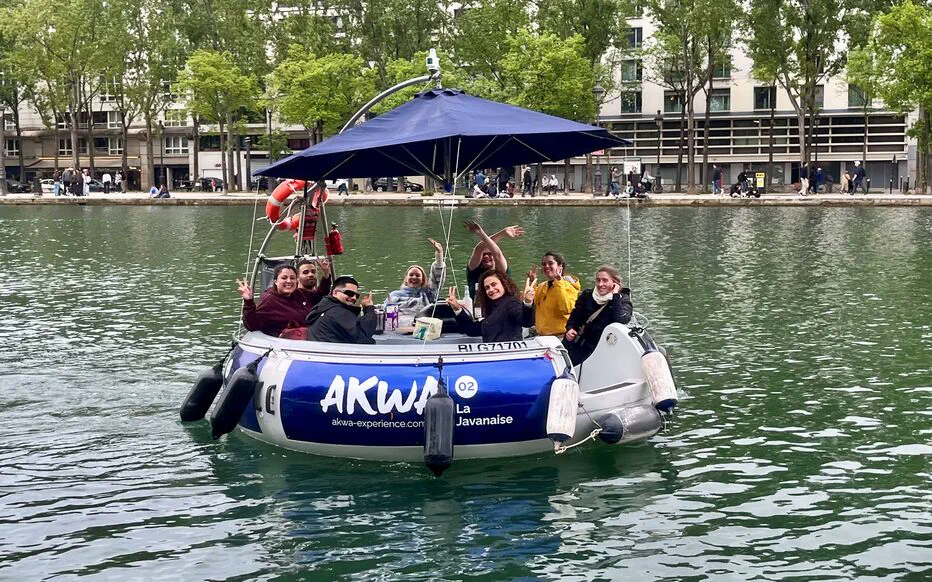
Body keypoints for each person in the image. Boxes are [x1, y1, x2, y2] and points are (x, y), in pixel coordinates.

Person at [563, 266, 633, 366]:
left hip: (604, 349)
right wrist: (570, 329)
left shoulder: (622, 300)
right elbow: (574, 317)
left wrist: (615, 295)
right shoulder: (587, 295)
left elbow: (620, 319)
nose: (600, 284)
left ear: (615, 283)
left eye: (605, 280)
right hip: (580, 345)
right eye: (598, 280)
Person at [237, 264, 318, 337]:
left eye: (292, 278)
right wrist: (249, 301)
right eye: (284, 278)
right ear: (275, 281)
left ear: (297, 280)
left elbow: (319, 296)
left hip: (311, 336)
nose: (289, 281)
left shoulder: (300, 293)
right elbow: (252, 325)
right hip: (286, 343)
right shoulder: (269, 300)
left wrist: (324, 274)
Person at [447, 269, 524, 342]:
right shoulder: (492, 309)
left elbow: (525, 321)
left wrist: (528, 303)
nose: (491, 289)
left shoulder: (512, 302)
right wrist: (457, 308)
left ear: (504, 284)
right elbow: (471, 330)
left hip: (509, 350)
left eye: (494, 284)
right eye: (487, 288)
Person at [305, 276, 377, 344]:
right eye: (349, 293)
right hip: (332, 351)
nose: (354, 298)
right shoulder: (338, 312)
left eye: (356, 295)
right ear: (335, 293)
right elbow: (363, 337)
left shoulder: (323, 306)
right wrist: (369, 307)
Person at [523, 252, 580, 337]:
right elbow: (532, 305)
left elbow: (567, 309)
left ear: (560, 266)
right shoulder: (542, 286)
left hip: (561, 336)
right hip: (542, 335)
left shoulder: (570, 286)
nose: (546, 266)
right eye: (544, 264)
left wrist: (559, 282)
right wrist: (532, 283)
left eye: (550, 263)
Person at [465, 220, 523, 299]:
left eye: (490, 254)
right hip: (476, 306)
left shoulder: (501, 272)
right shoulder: (474, 271)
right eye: (483, 254)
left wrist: (502, 234)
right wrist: (480, 233)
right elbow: (479, 249)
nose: (486, 256)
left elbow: (497, 254)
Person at [385, 238, 446, 315]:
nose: (414, 277)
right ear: (406, 279)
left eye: (417, 275)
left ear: (423, 280)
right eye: (411, 275)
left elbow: (438, 278)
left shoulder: (428, 294)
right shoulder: (394, 295)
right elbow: (386, 312)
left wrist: (439, 254)